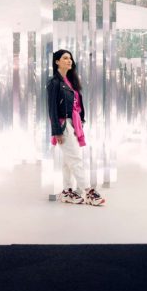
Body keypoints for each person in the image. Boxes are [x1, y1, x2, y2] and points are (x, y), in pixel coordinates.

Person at [47, 49, 105, 206]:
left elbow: (78, 105)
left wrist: (81, 121)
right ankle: (88, 191)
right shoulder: (54, 83)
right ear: (57, 61)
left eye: (70, 58)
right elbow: (52, 109)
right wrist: (57, 131)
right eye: (65, 58)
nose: (69, 60)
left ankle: (67, 191)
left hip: (74, 124)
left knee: (68, 160)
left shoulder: (71, 82)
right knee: (75, 158)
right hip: (63, 124)